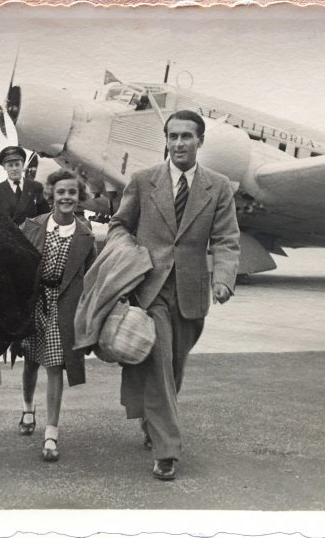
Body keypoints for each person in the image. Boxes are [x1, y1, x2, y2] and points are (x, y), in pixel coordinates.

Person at [107, 110, 240, 481]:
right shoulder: (143, 180)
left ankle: (152, 420)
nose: (179, 143)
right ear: (165, 141)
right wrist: (128, 256)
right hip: (150, 289)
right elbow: (120, 224)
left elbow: (227, 239)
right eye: (173, 136)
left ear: (200, 141)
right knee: (160, 363)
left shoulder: (219, 187)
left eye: (186, 137)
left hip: (193, 292)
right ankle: (167, 451)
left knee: (173, 369)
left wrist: (224, 278)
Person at [17, 169, 97, 461]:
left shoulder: (86, 234)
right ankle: (27, 407)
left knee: (55, 365)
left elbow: (91, 276)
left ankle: (51, 432)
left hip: (63, 305)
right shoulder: (33, 226)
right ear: (51, 195)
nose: (66, 197)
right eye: (61, 192)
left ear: (79, 198)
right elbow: (18, 264)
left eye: (72, 193)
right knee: (31, 361)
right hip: (34, 302)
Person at [0, 147, 50, 226]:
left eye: (17, 164)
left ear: (22, 165)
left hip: (31, 236)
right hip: (8, 236)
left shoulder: (35, 187)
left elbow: (45, 215)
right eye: (10, 165)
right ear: (4, 167)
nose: (14, 168)